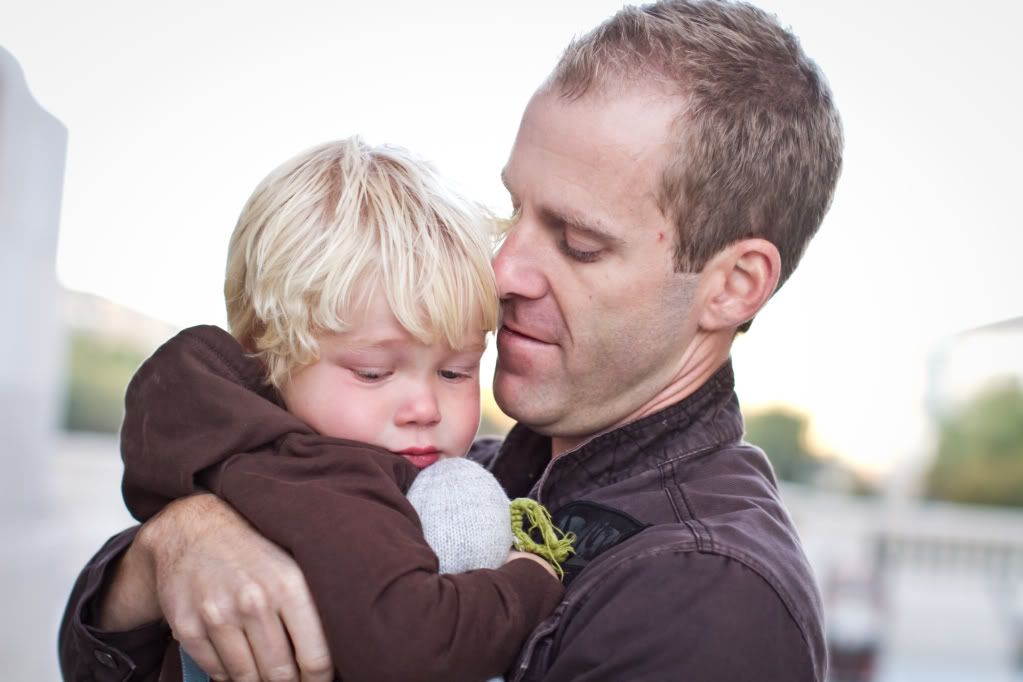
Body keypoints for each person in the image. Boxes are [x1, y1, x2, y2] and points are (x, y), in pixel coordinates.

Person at [59, 1, 843, 680]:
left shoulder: (706, 596)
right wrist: (169, 551)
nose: (502, 271)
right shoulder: (468, 467)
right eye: (514, 212)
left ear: (732, 285)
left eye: (577, 243)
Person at [61, 138, 567, 682]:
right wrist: (533, 577)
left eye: (455, 372)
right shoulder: (324, 479)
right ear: (268, 354)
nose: (424, 408)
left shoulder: (231, 461)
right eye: (372, 373)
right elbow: (410, 643)